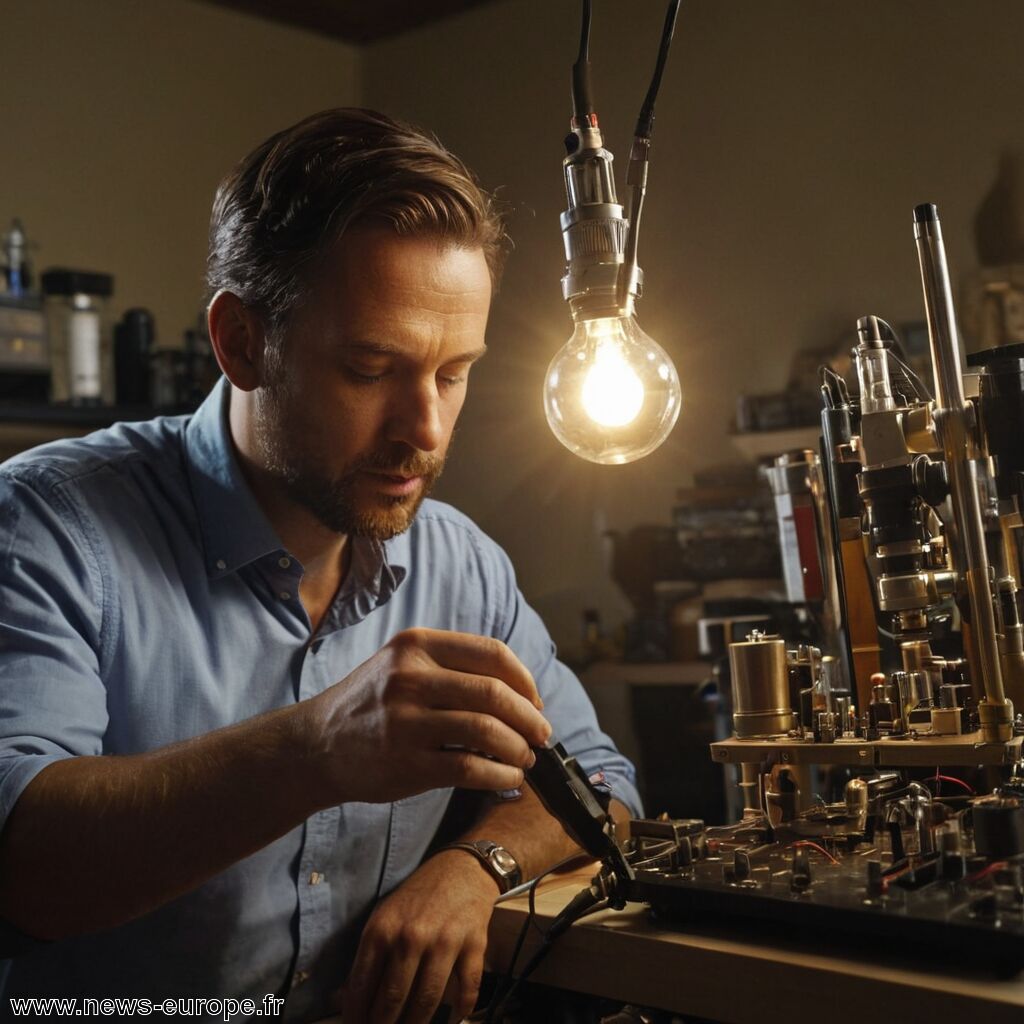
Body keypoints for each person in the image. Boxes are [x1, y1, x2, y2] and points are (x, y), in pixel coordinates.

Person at [0, 108, 640, 1023]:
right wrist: (315, 750)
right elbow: (20, 872)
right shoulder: (46, 525)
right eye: (372, 368)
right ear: (241, 343)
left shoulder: (465, 568)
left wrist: (471, 870)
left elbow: (603, 789)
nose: (425, 429)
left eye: (453, 373)